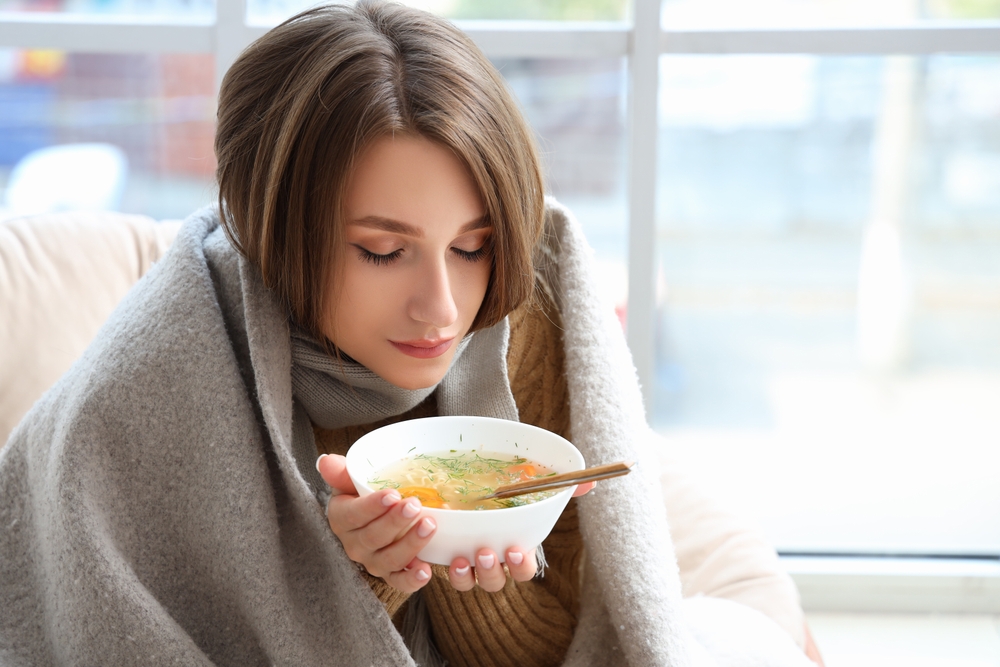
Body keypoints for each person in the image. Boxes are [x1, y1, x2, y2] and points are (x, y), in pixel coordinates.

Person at [0, 2, 822, 665]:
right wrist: (349, 581)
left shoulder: (521, 312)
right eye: (383, 251)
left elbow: (569, 642)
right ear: (271, 228)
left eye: (471, 246)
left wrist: (470, 581)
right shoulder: (160, 381)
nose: (442, 307)